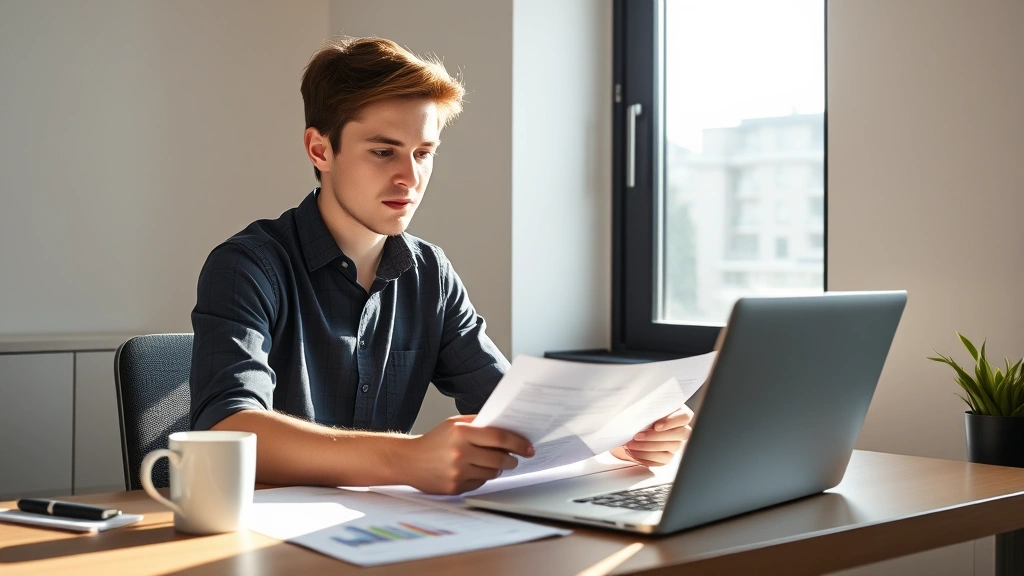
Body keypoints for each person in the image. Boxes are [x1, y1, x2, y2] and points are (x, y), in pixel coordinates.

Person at [188, 36, 693, 495]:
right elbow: (229, 427)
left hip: (382, 532)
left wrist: (617, 439)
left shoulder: (429, 272)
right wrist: (407, 458)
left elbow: (508, 413)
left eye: (423, 153)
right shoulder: (247, 266)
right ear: (320, 149)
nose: (410, 177)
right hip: (264, 539)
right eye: (384, 152)